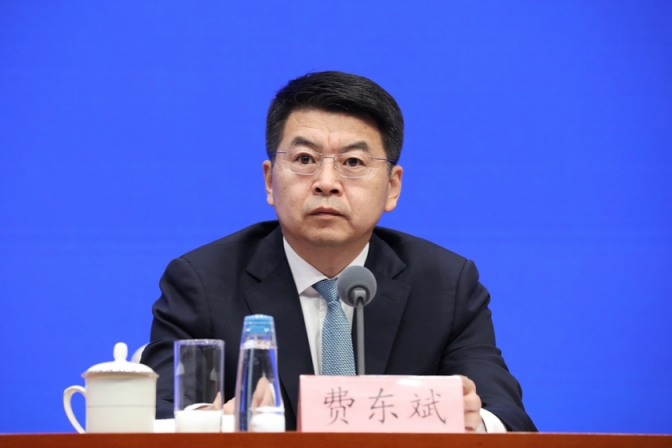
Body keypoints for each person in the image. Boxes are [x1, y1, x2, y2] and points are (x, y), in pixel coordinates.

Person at [140, 71, 537, 432]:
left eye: (352, 162)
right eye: (305, 159)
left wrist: (475, 422)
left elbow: (507, 415)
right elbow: (157, 415)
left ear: (392, 187)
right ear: (269, 180)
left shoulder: (446, 285)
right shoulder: (202, 282)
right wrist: (209, 425)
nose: (326, 182)